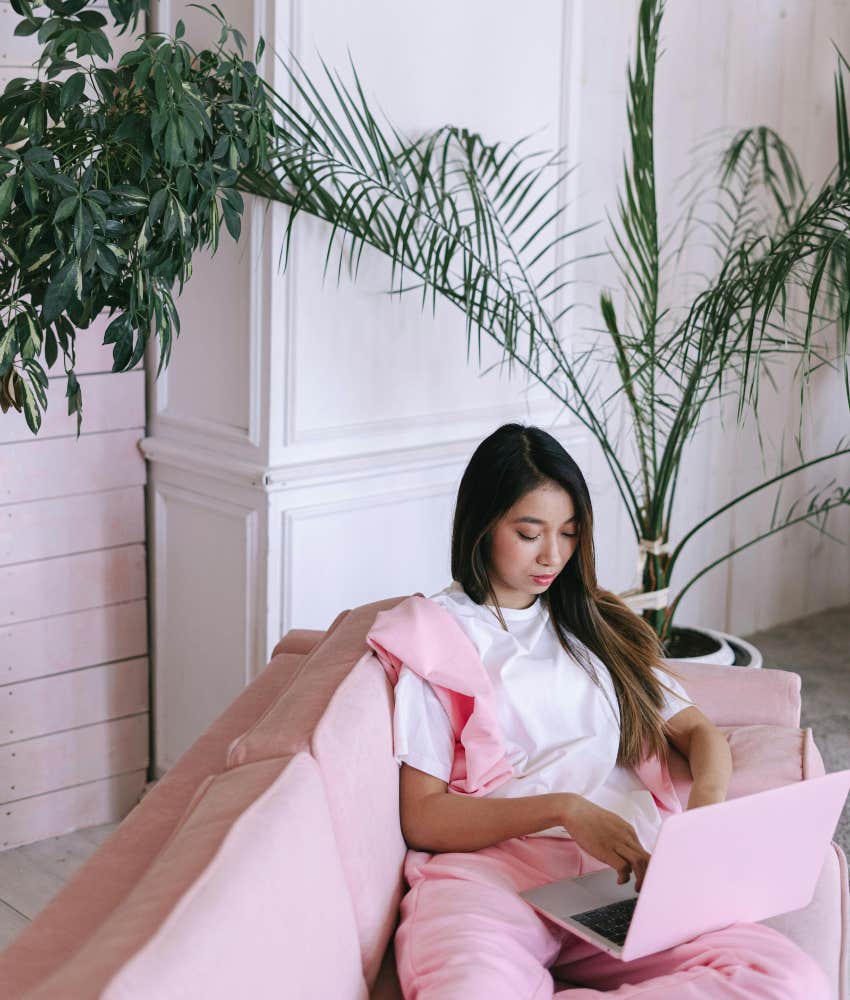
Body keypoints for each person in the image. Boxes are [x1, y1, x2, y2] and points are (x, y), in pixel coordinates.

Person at [389, 423, 829, 999]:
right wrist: (567, 810)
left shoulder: (595, 621)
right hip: (496, 874)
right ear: (481, 524)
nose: (553, 555)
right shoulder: (433, 633)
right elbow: (422, 816)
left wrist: (706, 811)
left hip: (631, 875)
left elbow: (696, 731)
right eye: (529, 533)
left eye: (569, 534)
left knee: (787, 981)